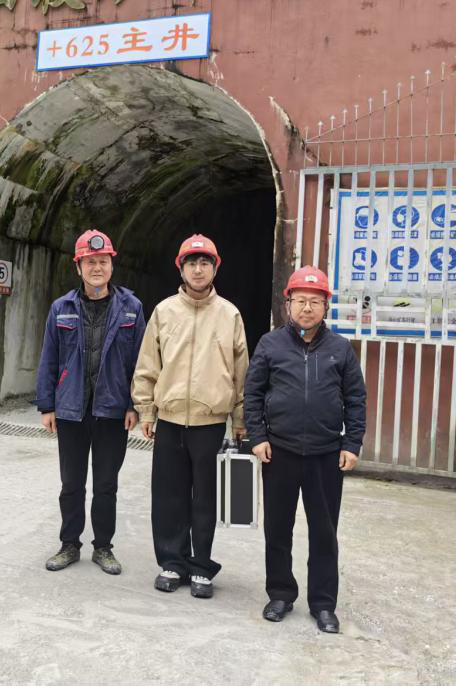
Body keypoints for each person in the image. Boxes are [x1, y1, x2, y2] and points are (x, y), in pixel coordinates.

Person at [243, 266, 366, 634]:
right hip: (279, 452)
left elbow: (356, 399)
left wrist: (352, 443)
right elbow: (253, 394)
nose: (307, 308)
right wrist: (258, 437)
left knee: (324, 533)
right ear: (288, 304)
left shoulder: (340, 349)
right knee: (278, 529)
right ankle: (280, 594)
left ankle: (324, 604)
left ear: (326, 306)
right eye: (300, 301)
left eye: (315, 301)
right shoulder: (270, 344)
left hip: (326, 454)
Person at [131, 234, 249, 599]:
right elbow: (148, 365)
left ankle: (201, 566)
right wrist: (146, 409)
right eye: (191, 264)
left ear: (215, 268)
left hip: (210, 422)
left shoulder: (229, 314)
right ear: (181, 270)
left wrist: (240, 419)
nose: (198, 270)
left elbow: (242, 373)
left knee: (206, 498)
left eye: (205, 263)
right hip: (169, 420)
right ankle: (172, 562)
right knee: (169, 496)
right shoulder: (164, 312)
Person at [36, 229, 145, 575]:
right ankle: (69, 544)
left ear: (112, 265)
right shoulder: (62, 308)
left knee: (106, 485)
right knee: (71, 484)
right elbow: (49, 358)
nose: (97, 268)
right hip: (71, 410)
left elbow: (140, 363)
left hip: (112, 411)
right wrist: (47, 406)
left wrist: (135, 405)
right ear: (78, 267)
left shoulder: (131, 308)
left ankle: (103, 548)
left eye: (103, 261)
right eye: (90, 262)